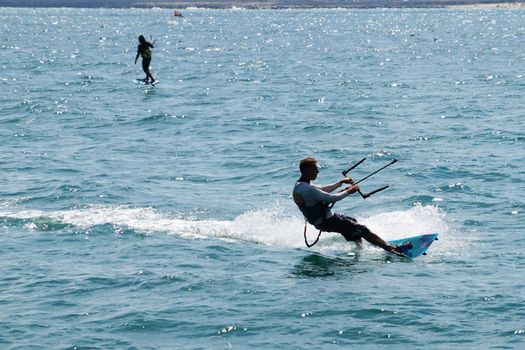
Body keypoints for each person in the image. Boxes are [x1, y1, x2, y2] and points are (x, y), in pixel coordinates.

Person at [292, 157, 406, 257]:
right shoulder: (307, 189)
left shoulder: (301, 185)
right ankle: (392, 249)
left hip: (323, 220)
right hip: (326, 221)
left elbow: (322, 189)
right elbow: (331, 198)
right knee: (363, 229)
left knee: (352, 221)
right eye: (315, 169)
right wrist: (349, 191)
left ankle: (361, 249)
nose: (318, 171)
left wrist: (340, 182)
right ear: (307, 170)